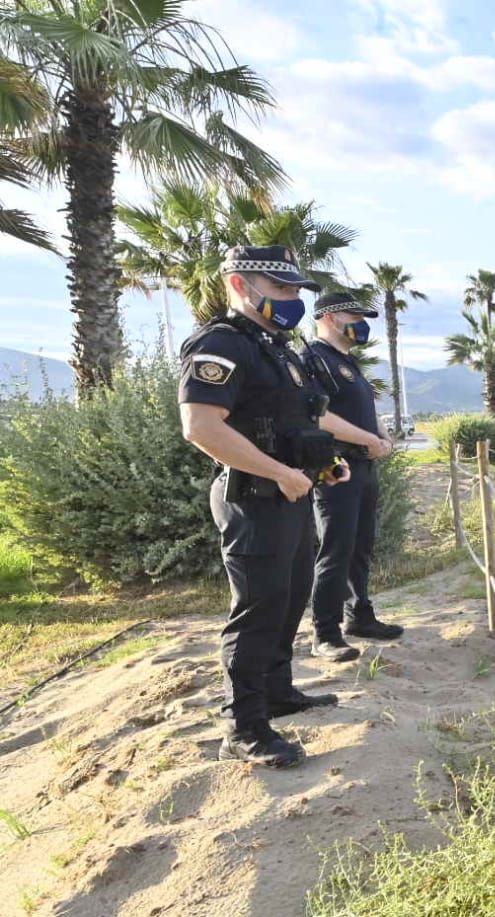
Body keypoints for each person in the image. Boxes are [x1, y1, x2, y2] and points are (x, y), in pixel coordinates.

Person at [178, 246, 393, 768]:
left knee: (290, 597)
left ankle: (277, 692)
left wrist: (324, 466)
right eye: (280, 289)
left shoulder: (278, 350)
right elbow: (202, 427)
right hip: (252, 498)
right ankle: (244, 726)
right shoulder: (222, 344)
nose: (292, 298)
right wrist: (277, 472)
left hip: (291, 492)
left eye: (296, 289)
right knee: (256, 611)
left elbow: (296, 423)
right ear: (239, 286)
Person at [304, 292, 403, 661]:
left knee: (361, 546)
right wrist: (367, 440)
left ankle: (359, 616)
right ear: (329, 317)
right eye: (354, 315)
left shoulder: (348, 362)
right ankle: (324, 633)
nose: (362, 323)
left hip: (364, 466)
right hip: (335, 468)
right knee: (336, 549)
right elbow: (317, 416)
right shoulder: (312, 359)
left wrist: (381, 437)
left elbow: (365, 408)